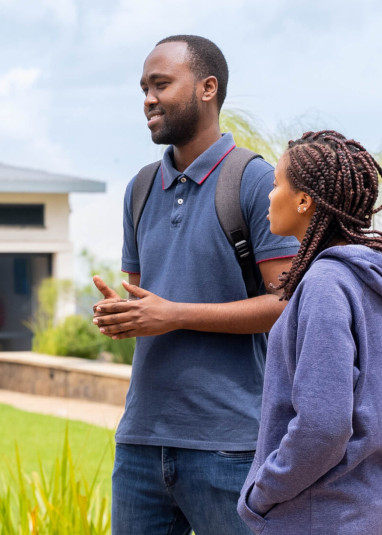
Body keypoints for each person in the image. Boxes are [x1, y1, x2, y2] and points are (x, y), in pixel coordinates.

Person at [91, 35, 299, 535]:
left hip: (231, 444)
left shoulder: (253, 180)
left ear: (208, 88)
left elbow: (287, 303)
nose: (148, 98)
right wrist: (125, 315)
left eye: (161, 84)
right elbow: (145, 300)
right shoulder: (140, 188)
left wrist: (175, 314)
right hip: (140, 440)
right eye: (144, 87)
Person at [236, 130, 382, 534]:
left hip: (315, 515)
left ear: (304, 200)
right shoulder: (366, 279)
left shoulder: (325, 284)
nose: (268, 195)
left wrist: (261, 493)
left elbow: (323, 427)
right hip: (353, 509)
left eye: (277, 184)